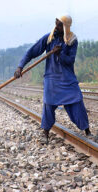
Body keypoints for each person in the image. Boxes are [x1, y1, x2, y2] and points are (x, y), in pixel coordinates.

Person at [14, 15, 91, 144]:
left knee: (77, 100)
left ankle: (88, 131)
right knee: (48, 105)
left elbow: (70, 60)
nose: (56, 27)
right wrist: (20, 66)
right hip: (52, 79)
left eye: (59, 25)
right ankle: (45, 134)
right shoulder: (49, 38)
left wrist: (60, 54)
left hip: (68, 79)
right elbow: (31, 52)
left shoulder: (72, 40)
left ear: (66, 27)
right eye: (56, 23)